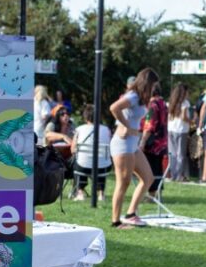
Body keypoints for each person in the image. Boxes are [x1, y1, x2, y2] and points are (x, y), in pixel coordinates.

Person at [109, 68, 159, 229]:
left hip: (132, 145)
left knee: (148, 178)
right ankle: (116, 222)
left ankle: (131, 214)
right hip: (122, 144)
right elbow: (114, 108)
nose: (154, 88)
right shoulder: (133, 96)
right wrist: (126, 126)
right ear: (147, 83)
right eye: (153, 85)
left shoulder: (140, 98)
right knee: (123, 183)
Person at [70, 104, 111, 201]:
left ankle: (80, 192)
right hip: (103, 167)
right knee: (100, 161)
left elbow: (72, 150)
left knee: (79, 161)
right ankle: (101, 193)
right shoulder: (106, 130)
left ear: (85, 117)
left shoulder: (79, 129)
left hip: (83, 167)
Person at [141, 82, 169, 195]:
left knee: (150, 168)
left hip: (152, 143)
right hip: (162, 141)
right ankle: (157, 192)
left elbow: (149, 125)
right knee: (158, 168)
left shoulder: (152, 106)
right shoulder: (163, 104)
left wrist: (142, 141)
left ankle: (151, 193)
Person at [166, 83, 192, 181]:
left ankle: (173, 174)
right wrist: (192, 121)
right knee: (180, 154)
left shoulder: (170, 102)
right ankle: (179, 175)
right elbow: (183, 117)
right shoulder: (185, 103)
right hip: (181, 129)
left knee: (172, 153)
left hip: (171, 129)